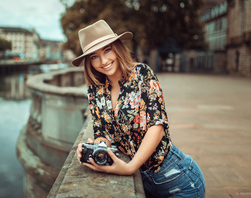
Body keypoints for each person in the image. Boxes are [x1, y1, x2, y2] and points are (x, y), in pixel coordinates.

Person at [73, 20, 206, 198]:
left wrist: (130, 167)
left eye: (107, 50)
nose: (104, 61)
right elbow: (101, 130)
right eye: (94, 56)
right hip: (143, 182)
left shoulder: (142, 74)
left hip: (178, 179)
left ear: (117, 48)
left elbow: (157, 127)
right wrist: (97, 149)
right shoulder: (95, 89)